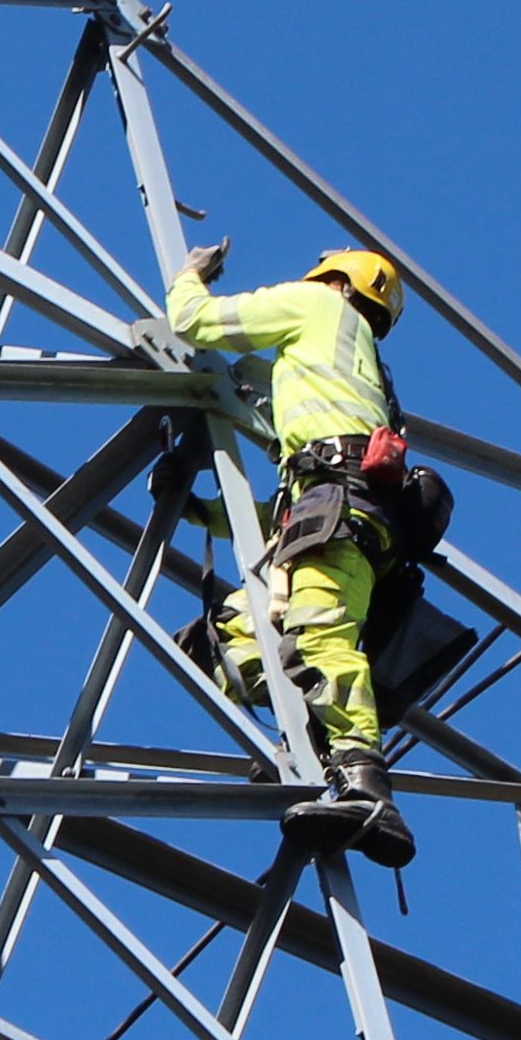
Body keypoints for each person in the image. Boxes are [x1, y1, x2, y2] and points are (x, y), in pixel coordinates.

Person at [170, 238, 428, 865]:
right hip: (341, 516)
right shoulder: (365, 381)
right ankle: (307, 756)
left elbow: (196, 322)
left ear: (336, 281)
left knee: (320, 635)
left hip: (341, 517)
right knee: (233, 635)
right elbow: (289, 508)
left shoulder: (316, 306)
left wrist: (189, 276)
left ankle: (368, 790)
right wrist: (200, 510)